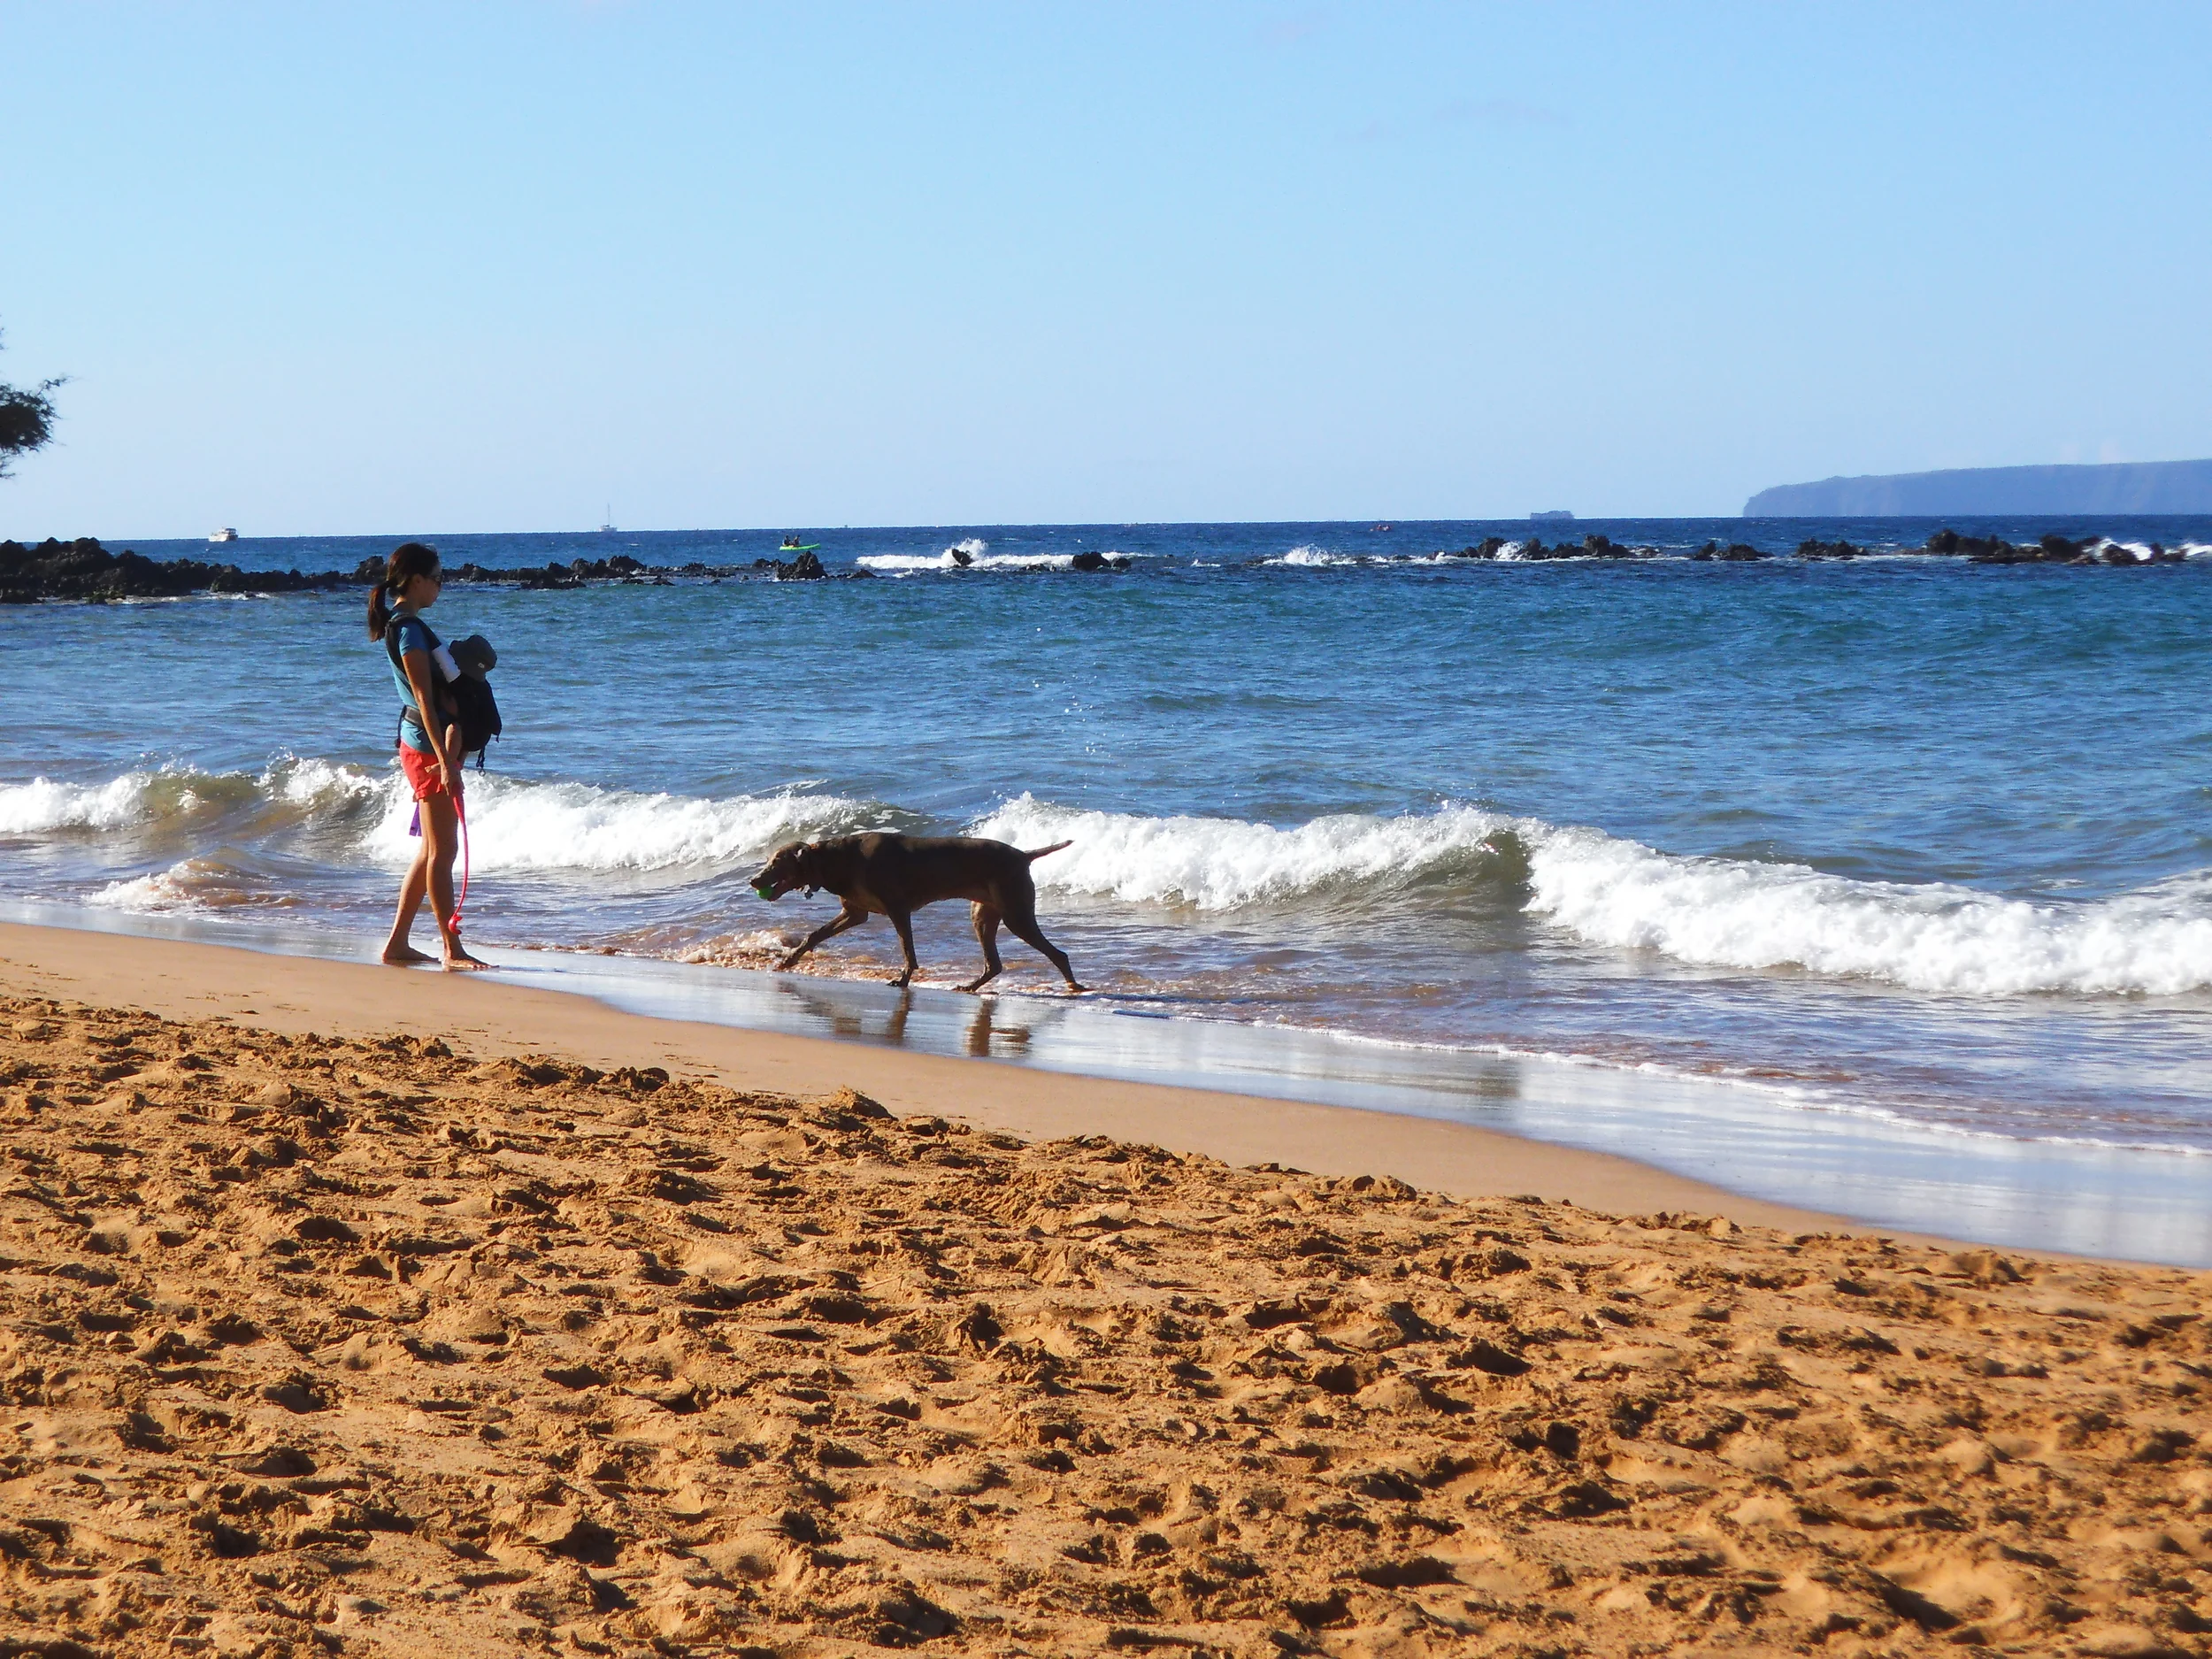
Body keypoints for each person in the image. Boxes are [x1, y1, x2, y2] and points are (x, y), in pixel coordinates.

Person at [366, 541, 486, 970]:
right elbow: (422, 695)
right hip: (424, 747)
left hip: (419, 742)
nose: (440, 586)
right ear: (415, 581)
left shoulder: (407, 624)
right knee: (444, 853)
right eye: (437, 579)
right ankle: (452, 949)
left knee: (430, 851)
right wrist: (446, 762)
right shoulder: (410, 631)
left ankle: (398, 943)